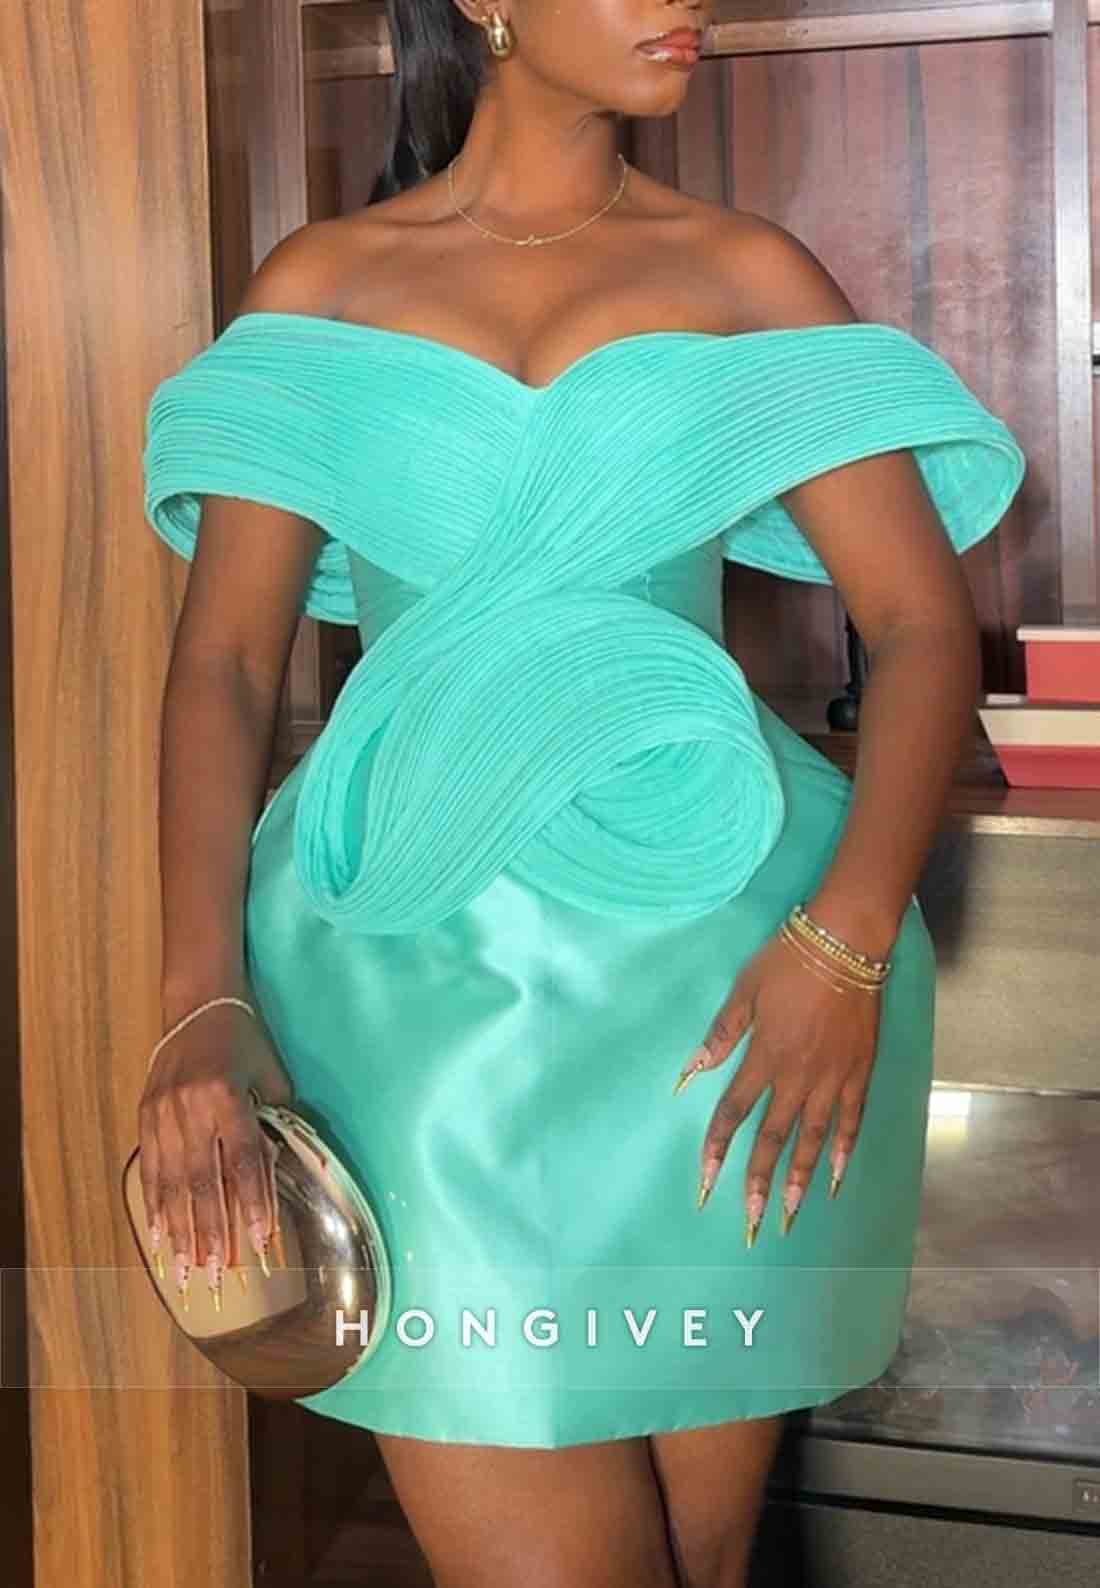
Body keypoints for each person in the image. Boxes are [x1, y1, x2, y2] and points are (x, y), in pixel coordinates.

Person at [136, 2, 1025, 1584]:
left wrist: (845, 946)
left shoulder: (744, 275)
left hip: (725, 995)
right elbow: (222, 668)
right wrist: (197, 997)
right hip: (408, 1008)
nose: (689, 4)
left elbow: (917, 625)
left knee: (702, 1558)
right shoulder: (323, 287)